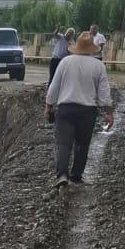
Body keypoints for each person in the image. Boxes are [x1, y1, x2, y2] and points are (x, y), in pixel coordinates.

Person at [44, 29, 113, 187]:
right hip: (87, 111)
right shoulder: (98, 66)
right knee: (82, 143)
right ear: (91, 49)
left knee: (63, 143)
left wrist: (48, 106)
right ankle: (76, 175)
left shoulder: (65, 62)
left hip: (65, 109)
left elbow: (54, 88)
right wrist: (108, 113)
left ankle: (61, 174)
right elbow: (104, 93)